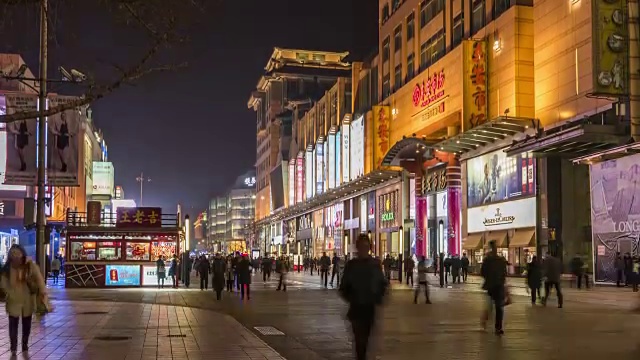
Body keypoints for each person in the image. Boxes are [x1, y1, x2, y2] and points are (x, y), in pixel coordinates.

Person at [339, 234, 387, 360]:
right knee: (360, 340)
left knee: (366, 339)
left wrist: (378, 296)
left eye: (365, 246)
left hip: (369, 308)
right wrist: (352, 297)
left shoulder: (375, 264)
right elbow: (343, 287)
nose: (363, 249)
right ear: (357, 247)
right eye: (361, 246)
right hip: (356, 308)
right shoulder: (352, 265)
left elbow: (382, 283)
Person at [0, 244, 47, 353]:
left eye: (17, 254)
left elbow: (39, 279)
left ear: (22, 254)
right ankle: (13, 347)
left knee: (26, 324)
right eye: (13, 254)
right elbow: (3, 283)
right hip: (13, 300)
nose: (15, 257)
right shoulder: (7, 268)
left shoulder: (30, 266)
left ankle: (24, 344)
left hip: (27, 299)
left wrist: (43, 292)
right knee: (13, 324)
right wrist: (10, 293)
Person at [480, 240, 507, 335]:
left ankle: (487, 323)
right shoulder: (500, 260)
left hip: (491, 285)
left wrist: (488, 278)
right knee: (498, 307)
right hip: (498, 286)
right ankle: (498, 327)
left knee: (491, 306)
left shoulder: (487, 260)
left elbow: (482, 272)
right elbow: (504, 273)